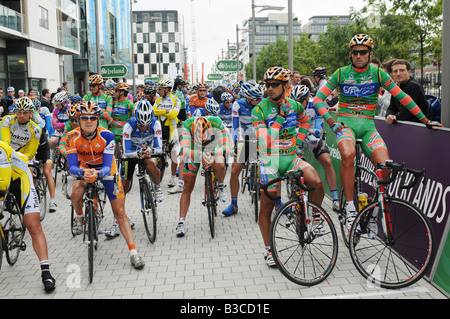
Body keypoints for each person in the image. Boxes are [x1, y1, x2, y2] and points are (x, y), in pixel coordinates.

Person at [313, 34, 442, 235]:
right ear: (351, 54)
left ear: (370, 54)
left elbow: (404, 98)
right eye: (355, 53)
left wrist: (426, 121)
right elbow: (317, 100)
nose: (358, 56)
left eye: (363, 52)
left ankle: (374, 209)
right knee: (348, 155)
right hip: (345, 123)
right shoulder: (340, 73)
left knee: (386, 167)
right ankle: (349, 209)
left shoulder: (378, 74)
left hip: (368, 127)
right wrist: (331, 122)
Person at [252, 66, 324, 267]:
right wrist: (280, 119)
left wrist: (300, 142)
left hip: (291, 157)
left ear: (286, 85)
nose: (270, 88)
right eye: (268, 84)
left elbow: (305, 120)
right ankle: (268, 249)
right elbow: (264, 141)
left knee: (316, 181)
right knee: (268, 204)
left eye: (275, 84)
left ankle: (315, 217)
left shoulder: (295, 105)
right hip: (270, 160)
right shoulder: (259, 109)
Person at [66, 101, 145, 269]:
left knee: (120, 212)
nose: (89, 121)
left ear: (97, 119)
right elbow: (72, 166)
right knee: (76, 193)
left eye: (93, 118)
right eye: (84, 118)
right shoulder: (71, 137)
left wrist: (98, 174)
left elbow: (108, 166)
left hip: (107, 171)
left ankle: (134, 253)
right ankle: (79, 217)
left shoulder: (107, 135)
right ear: (79, 119)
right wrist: (83, 173)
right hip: (84, 168)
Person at [0, 140, 56, 292]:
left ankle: (46, 272)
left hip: (18, 178)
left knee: (33, 225)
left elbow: (3, 185)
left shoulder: (1, 149)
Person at [175, 115, 229, 236]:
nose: (203, 142)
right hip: (195, 151)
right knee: (187, 187)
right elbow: (185, 149)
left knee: (220, 164)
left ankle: (220, 184)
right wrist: (200, 154)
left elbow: (226, 146)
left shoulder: (216, 122)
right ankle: (181, 221)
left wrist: (213, 153)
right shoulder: (187, 125)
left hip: (213, 148)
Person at [290, 85, 339, 209]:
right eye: (296, 102)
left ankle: (335, 198)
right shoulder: (288, 107)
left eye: (301, 101)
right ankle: (295, 194)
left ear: (307, 98)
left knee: (327, 161)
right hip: (296, 137)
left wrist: (314, 132)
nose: (298, 105)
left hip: (312, 137)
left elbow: (320, 128)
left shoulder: (314, 105)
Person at [222, 81, 264, 216]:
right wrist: (235, 143)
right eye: (257, 98)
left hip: (261, 137)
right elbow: (235, 127)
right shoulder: (237, 105)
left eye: (260, 97)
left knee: (273, 167)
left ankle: (277, 202)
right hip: (245, 137)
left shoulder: (263, 104)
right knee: (235, 171)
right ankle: (234, 204)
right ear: (248, 98)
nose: (260, 100)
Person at [122, 99, 164, 202]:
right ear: (136, 120)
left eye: (147, 125)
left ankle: (157, 187)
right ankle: (118, 214)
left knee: (150, 164)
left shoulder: (156, 123)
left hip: (146, 151)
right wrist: (138, 153)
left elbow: (159, 148)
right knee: (124, 187)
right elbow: (126, 152)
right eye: (141, 125)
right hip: (132, 152)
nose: (144, 128)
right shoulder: (128, 125)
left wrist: (150, 151)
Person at [153, 79, 182, 189]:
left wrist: (161, 111)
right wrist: (166, 111)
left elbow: (174, 115)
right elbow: (153, 111)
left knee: (174, 154)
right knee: (156, 153)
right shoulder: (158, 100)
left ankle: (172, 178)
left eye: (160, 89)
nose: (158, 91)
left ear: (166, 89)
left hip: (171, 130)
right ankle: (156, 179)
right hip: (160, 128)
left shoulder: (176, 100)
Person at [385, 59, 429, 124]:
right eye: (395, 71)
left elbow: (405, 114)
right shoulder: (396, 87)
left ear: (409, 72)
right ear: (392, 74)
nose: (398, 74)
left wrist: (394, 117)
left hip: (417, 128)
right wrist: (389, 115)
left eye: (402, 70)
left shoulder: (413, 86)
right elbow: (391, 108)